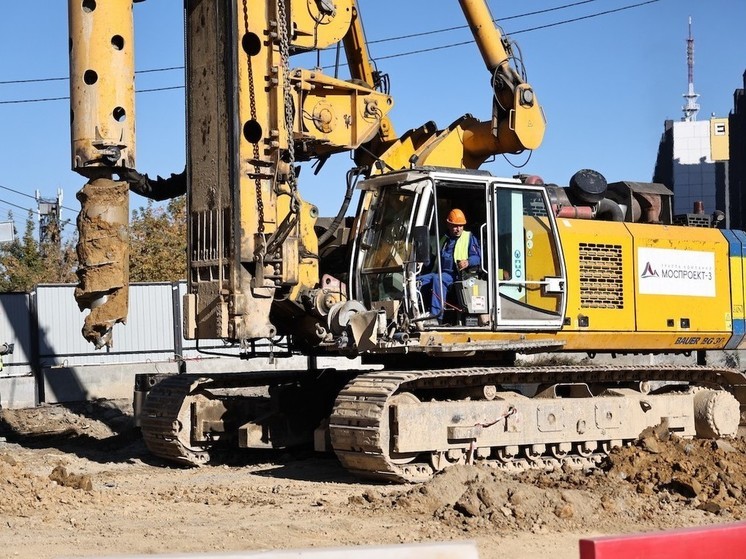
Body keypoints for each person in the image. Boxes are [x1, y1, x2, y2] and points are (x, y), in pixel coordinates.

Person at [419, 208, 481, 322]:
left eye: (461, 226)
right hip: (441, 273)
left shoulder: (469, 237)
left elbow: (478, 257)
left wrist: (468, 262)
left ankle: (436, 317)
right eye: (455, 226)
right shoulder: (444, 239)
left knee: (438, 279)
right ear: (448, 225)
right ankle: (415, 313)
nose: (458, 229)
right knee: (417, 281)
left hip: (457, 276)